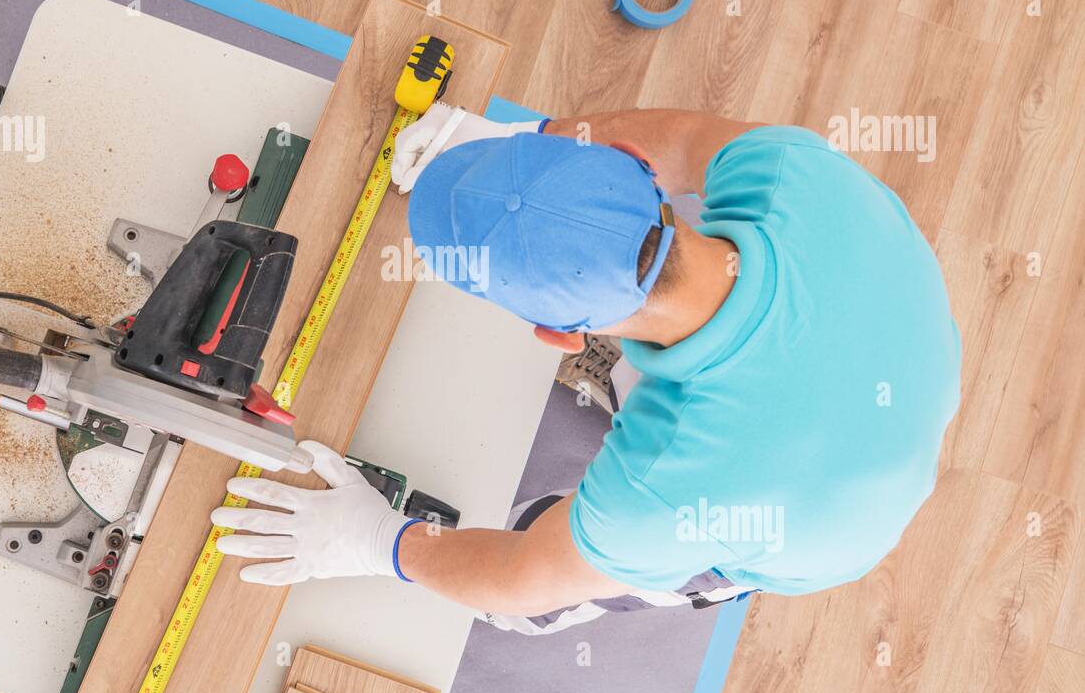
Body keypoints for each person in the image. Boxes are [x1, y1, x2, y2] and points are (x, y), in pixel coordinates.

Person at [211, 104, 961, 632]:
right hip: (904, 353)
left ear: (557, 334)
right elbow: (684, 136)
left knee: (549, 565)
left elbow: (521, 579)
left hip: (828, 532)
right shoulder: (793, 175)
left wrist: (384, 544)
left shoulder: (663, 493)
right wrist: (530, 145)